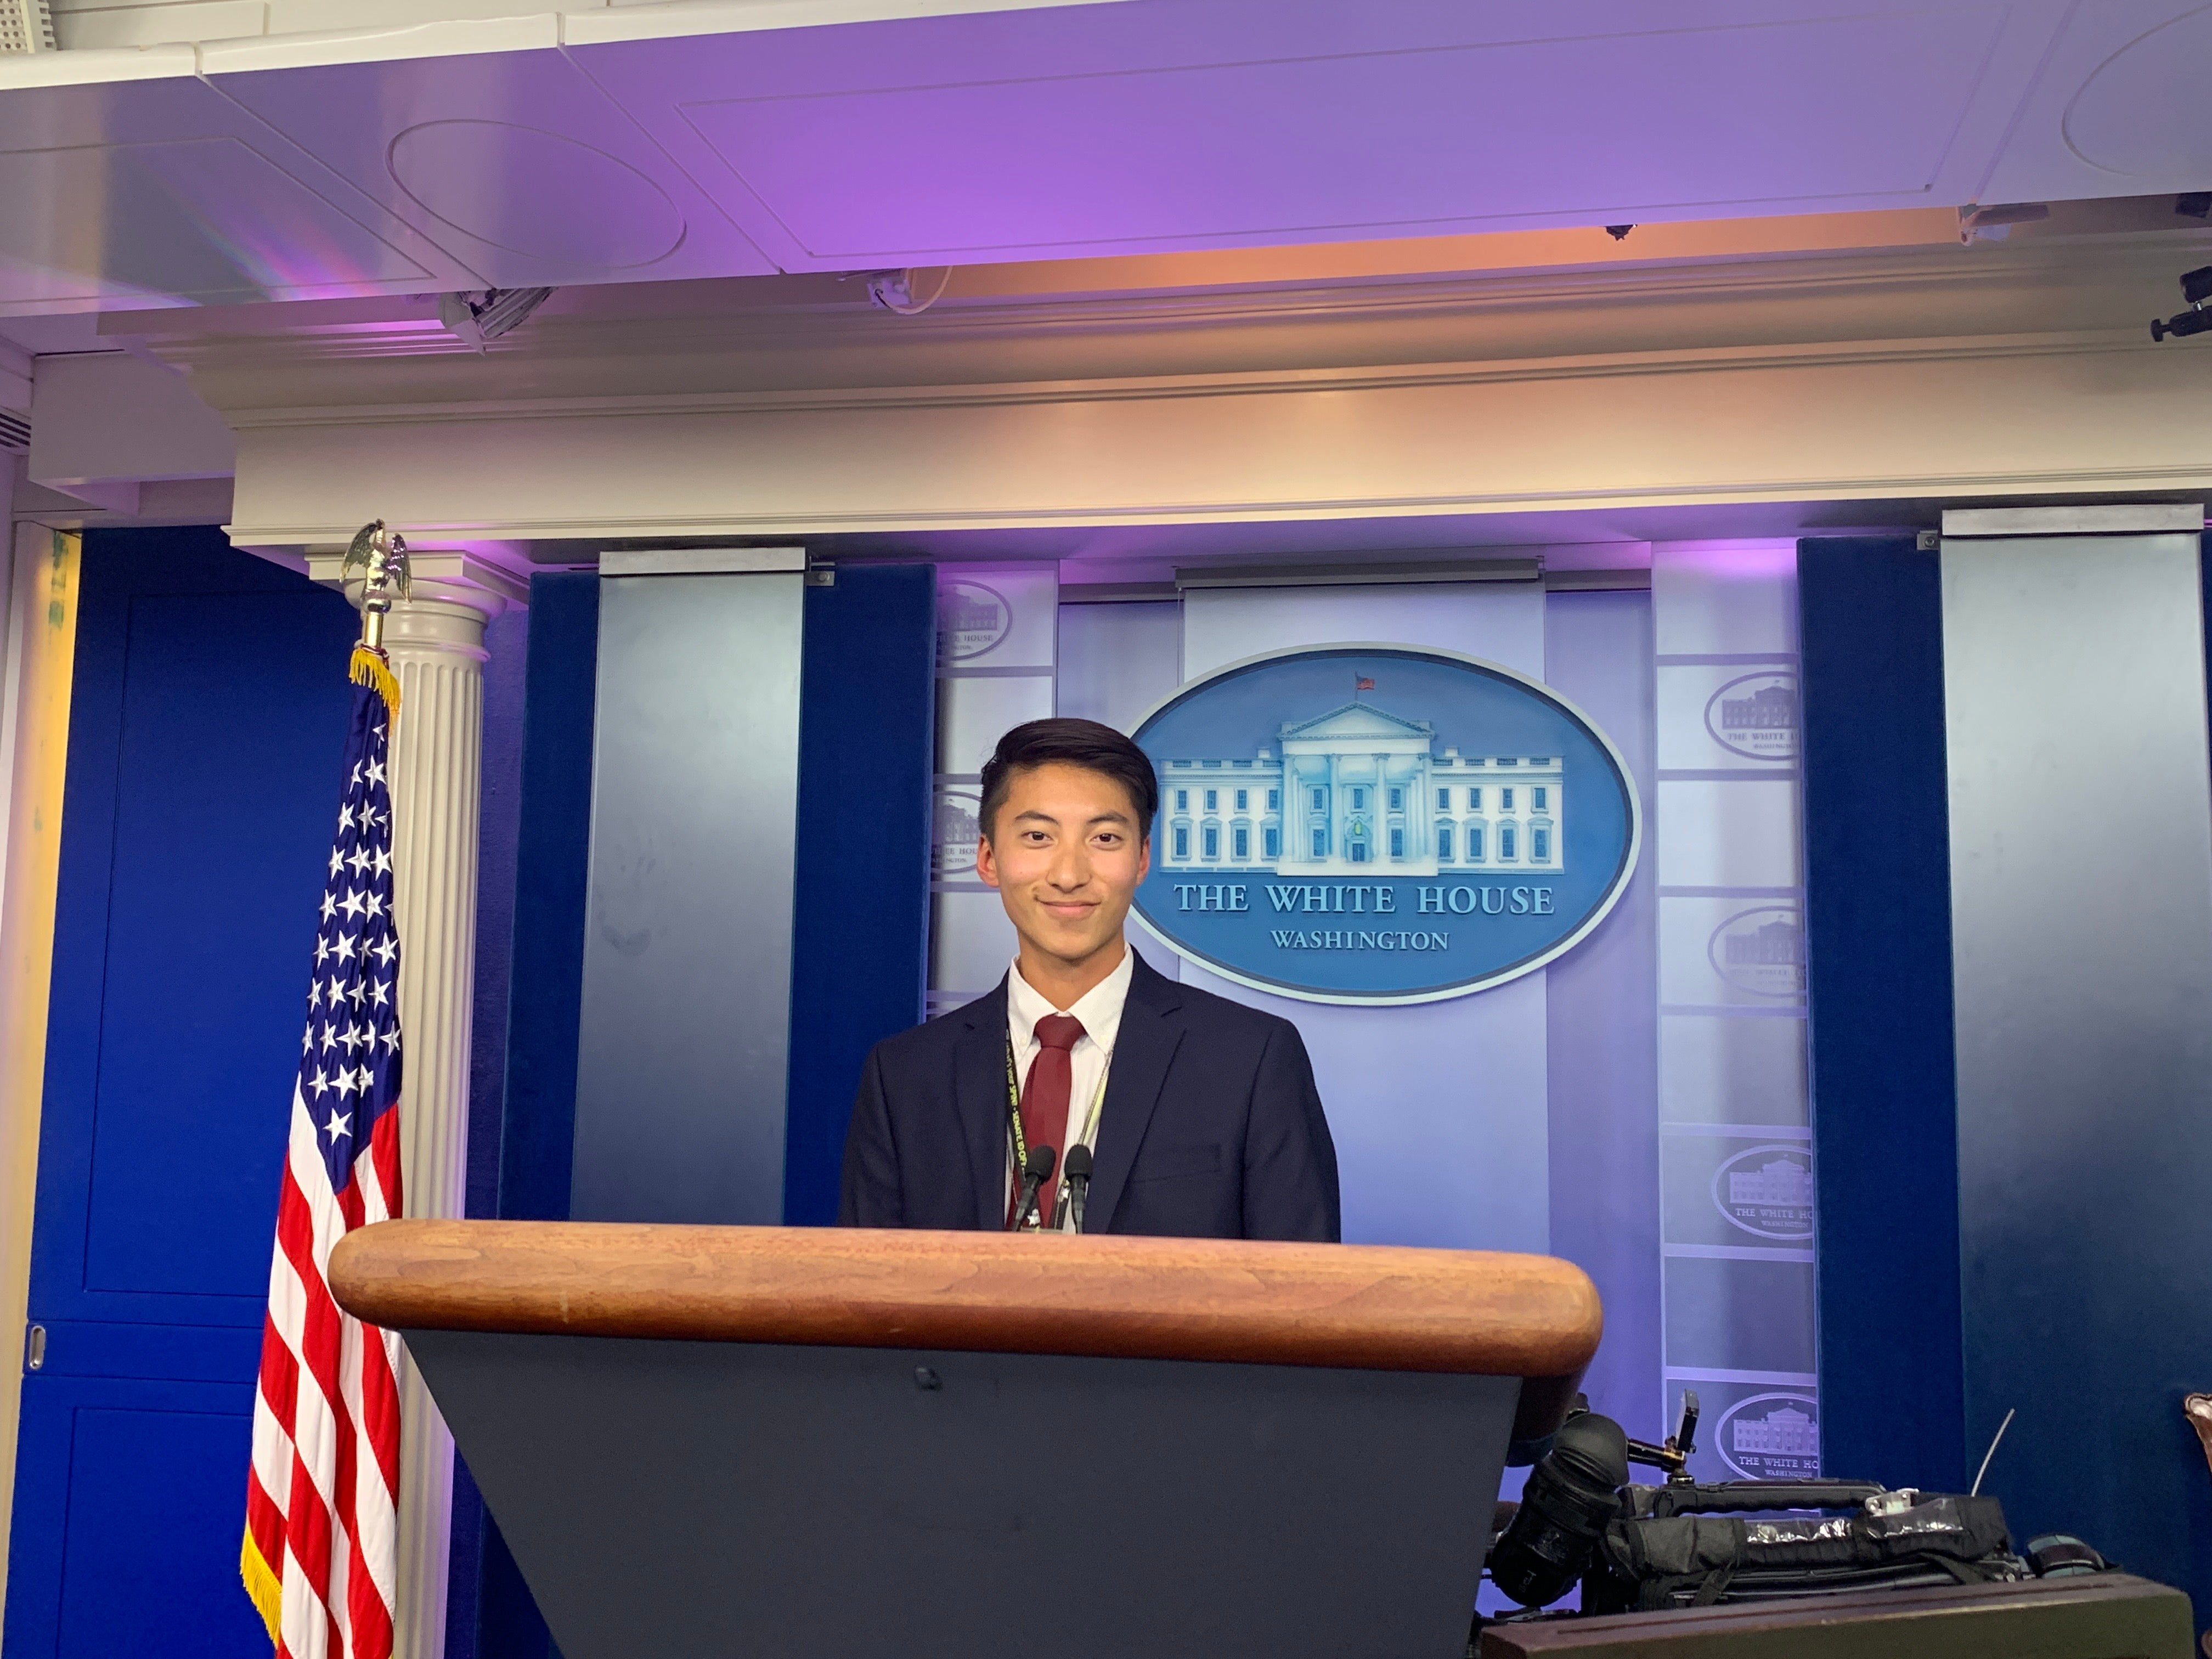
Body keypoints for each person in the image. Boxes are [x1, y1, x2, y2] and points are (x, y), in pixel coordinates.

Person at [838, 718, 1340, 1240]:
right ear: (988, 858)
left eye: (1104, 838)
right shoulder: (905, 1075)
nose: (1069, 873)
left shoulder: (1250, 1058)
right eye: (1038, 836)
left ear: (1142, 858)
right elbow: (868, 1294)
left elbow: (1302, 1296)